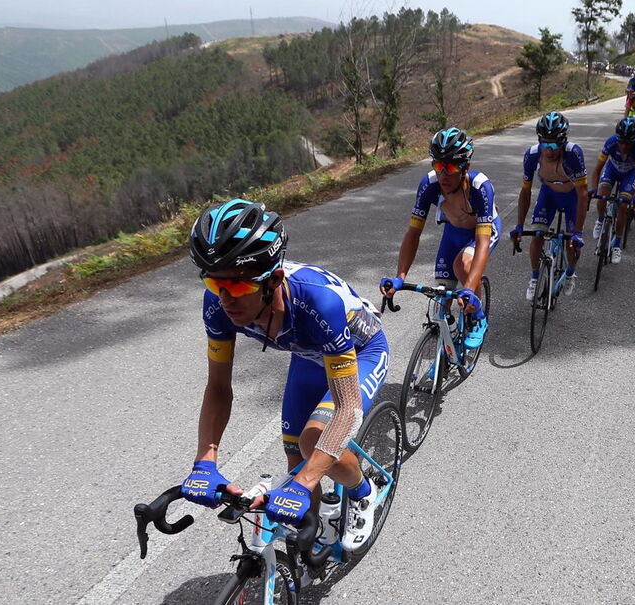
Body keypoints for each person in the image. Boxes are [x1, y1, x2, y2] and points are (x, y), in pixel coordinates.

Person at [181, 199, 389, 551]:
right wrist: (205, 459)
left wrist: (309, 480)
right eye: (215, 285)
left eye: (237, 287)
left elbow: (348, 409)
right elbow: (218, 387)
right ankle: (314, 535)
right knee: (295, 460)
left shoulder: (319, 303)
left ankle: (364, 491)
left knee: (313, 445)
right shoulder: (217, 304)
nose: (225, 299)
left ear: (274, 280)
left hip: (362, 350)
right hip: (309, 357)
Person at [380, 127, 500, 348]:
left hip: (480, 233)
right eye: (438, 165)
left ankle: (478, 317)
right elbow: (413, 233)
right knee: (439, 302)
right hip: (453, 233)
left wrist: (469, 288)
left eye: (451, 166)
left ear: (466, 167)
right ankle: (445, 350)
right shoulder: (429, 184)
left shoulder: (480, 186)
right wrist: (400, 277)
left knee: (463, 264)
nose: (443, 173)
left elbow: (483, 244)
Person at [510, 111, 589, 299]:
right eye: (544, 143)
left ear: (563, 141)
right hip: (549, 195)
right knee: (537, 235)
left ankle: (570, 273)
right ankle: (535, 278)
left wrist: (578, 231)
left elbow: (583, 193)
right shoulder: (532, 156)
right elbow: (526, 192)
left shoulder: (573, 154)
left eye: (554, 144)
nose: (549, 149)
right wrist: (520, 225)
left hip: (572, 198)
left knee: (571, 244)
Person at [590, 118, 635, 264]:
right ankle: (601, 219)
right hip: (612, 170)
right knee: (602, 196)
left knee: (623, 206)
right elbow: (597, 170)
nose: (623, 146)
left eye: (628, 143)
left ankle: (616, 246)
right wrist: (594, 188)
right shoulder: (610, 142)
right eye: (621, 142)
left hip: (630, 173)